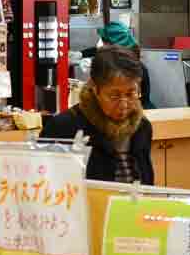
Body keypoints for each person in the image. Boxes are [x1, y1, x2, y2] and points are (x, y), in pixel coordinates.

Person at [41, 46, 154, 185]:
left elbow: (147, 183)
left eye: (131, 94)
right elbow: (44, 185)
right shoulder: (63, 128)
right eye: (114, 96)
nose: (124, 104)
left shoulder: (141, 127)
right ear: (95, 89)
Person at [81, 21, 152, 110]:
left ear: (113, 45)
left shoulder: (128, 69)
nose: (100, 44)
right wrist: (81, 53)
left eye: (103, 41)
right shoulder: (119, 58)